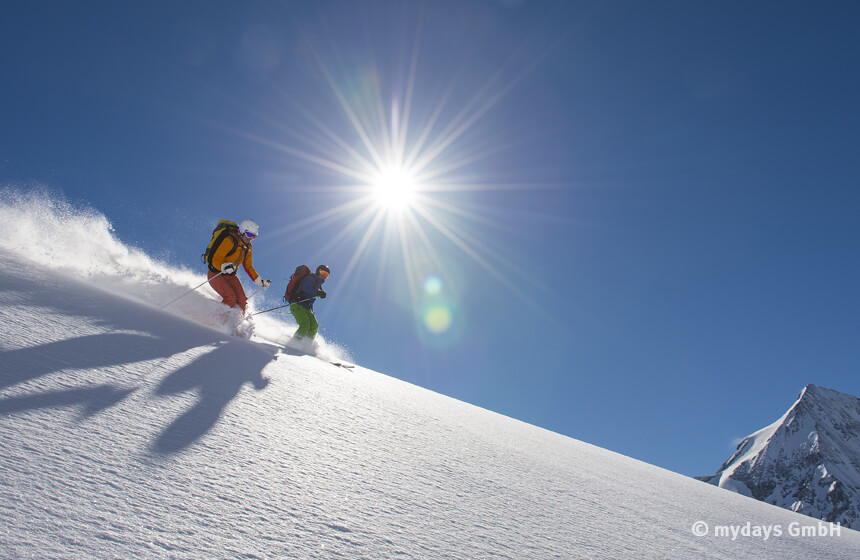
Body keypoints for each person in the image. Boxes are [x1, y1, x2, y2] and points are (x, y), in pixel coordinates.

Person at [206, 219, 270, 313]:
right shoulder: (230, 240)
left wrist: (259, 280)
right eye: (249, 234)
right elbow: (216, 259)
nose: (250, 238)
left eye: (254, 236)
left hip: (230, 276)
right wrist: (223, 266)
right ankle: (218, 323)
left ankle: (237, 325)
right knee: (230, 297)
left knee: (242, 301)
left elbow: (248, 266)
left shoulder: (248, 247)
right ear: (242, 231)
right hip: (216, 274)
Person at [288, 264, 329, 341]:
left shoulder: (318, 285)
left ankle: (307, 344)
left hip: (307, 307)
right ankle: (294, 342)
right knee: (305, 324)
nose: (324, 276)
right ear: (318, 271)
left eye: (326, 275)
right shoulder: (311, 278)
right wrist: (318, 293)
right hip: (297, 304)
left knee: (314, 326)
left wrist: (319, 292)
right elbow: (306, 288)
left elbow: (311, 298)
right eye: (323, 273)